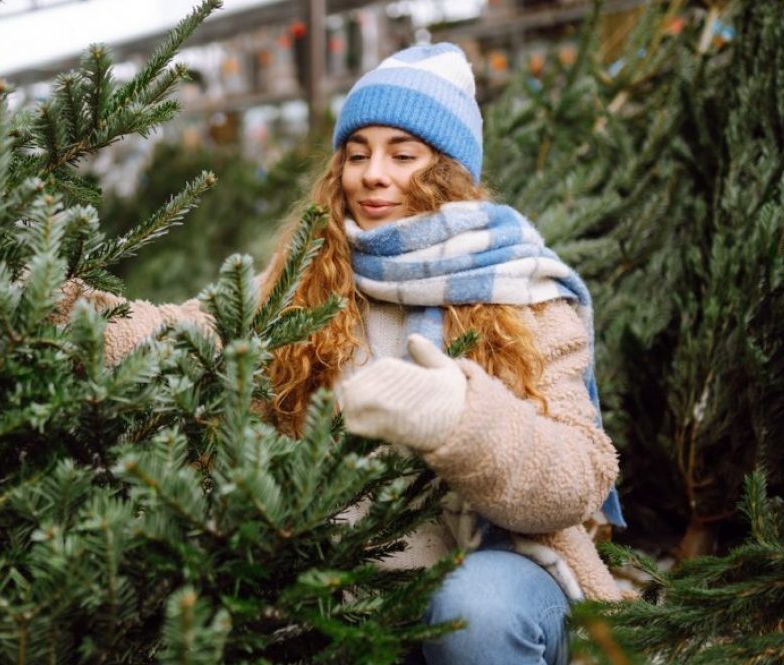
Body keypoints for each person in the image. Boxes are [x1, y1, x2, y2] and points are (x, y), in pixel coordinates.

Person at [58, 42, 626, 665]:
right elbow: (188, 335)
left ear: (450, 171)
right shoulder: (304, 280)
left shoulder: (524, 293)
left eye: (403, 155)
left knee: (475, 608)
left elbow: (578, 475)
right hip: (342, 593)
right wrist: (61, 308)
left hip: (498, 577)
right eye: (357, 154)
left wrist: (462, 418)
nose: (372, 174)